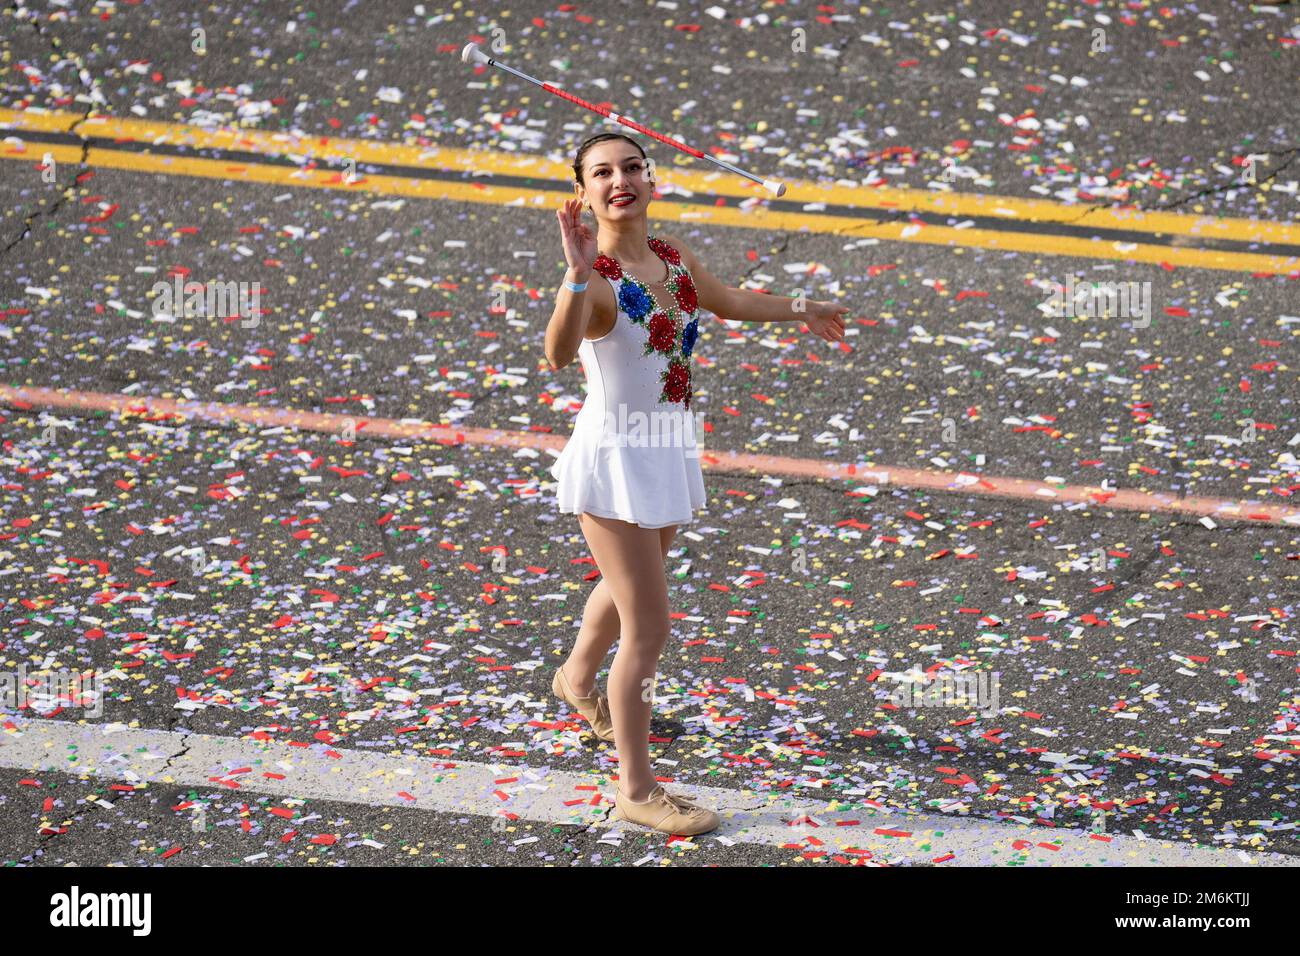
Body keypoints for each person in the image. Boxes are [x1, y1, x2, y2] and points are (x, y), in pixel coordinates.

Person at [545, 132, 847, 836]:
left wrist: (804, 309)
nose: (619, 180)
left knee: (623, 596)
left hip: (666, 450)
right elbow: (558, 353)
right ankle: (637, 788)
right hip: (616, 462)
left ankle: (576, 680)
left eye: (630, 168)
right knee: (648, 631)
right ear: (584, 194)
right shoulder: (600, 280)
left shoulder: (672, 259)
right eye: (602, 173)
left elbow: (728, 300)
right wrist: (575, 273)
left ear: (652, 180)